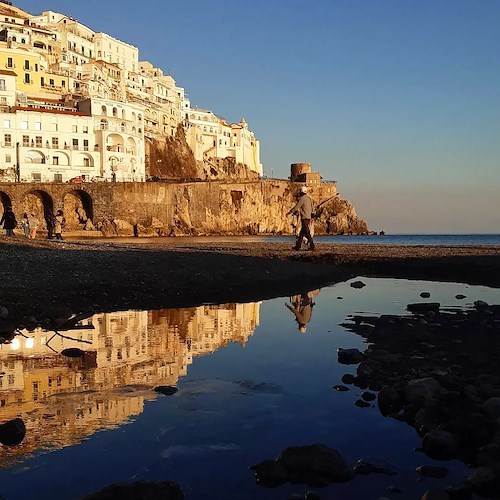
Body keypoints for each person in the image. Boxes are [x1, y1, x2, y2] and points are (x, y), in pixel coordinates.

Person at [286, 186, 315, 251]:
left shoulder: (302, 199)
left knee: (307, 232)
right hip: (308, 217)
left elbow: (297, 207)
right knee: (302, 233)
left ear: (301, 192)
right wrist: (312, 216)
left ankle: (312, 245)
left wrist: (289, 212)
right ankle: (298, 246)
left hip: (304, 217)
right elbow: (312, 208)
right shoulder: (309, 198)